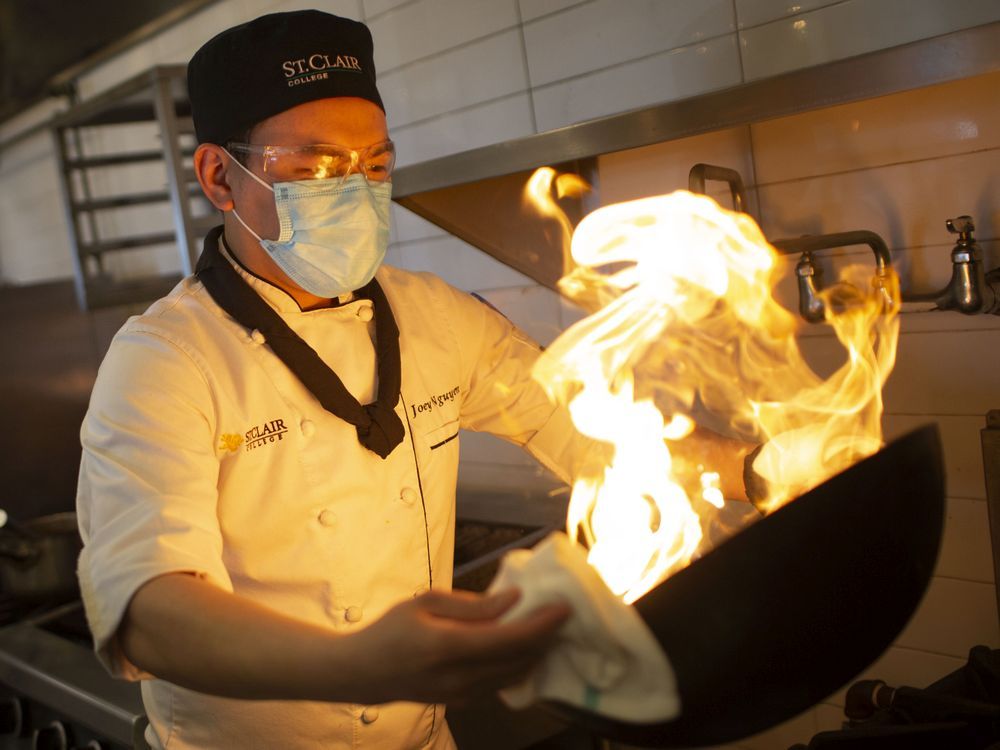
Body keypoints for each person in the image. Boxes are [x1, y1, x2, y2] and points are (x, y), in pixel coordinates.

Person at [76, 10, 752, 749]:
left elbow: (598, 432)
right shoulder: (164, 359)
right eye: (316, 167)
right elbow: (149, 609)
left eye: (376, 165)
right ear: (219, 178)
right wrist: (356, 664)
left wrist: (764, 465)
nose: (358, 190)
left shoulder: (436, 318)